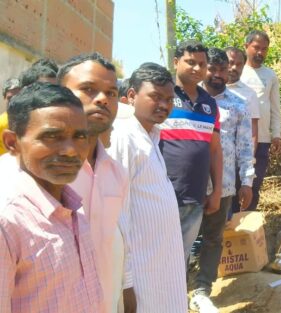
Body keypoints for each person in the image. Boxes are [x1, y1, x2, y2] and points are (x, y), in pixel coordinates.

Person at [0, 83, 102, 312]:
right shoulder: (7, 220)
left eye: (80, 137)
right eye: (52, 136)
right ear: (12, 143)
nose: (70, 150)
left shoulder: (73, 207)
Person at [56, 53, 135, 313]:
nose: (103, 99)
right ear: (58, 94)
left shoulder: (115, 174)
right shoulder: (26, 174)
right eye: (88, 89)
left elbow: (114, 248)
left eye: (111, 93)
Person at [107, 63, 188, 313]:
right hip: (141, 277)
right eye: (155, 97)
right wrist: (127, 283)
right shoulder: (123, 137)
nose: (164, 105)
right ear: (132, 96)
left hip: (162, 269)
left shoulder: (152, 136)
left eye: (169, 99)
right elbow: (118, 216)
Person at [190, 48, 255, 313]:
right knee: (183, 236)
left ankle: (203, 290)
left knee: (213, 239)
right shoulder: (187, 100)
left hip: (223, 185)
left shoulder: (238, 104)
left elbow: (244, 147)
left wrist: (247, 182)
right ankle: (176, 285)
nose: (217, 75)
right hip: (188, 185)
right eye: (212, 69)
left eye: (222, 70)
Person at [160, 40, 223, 263]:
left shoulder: (210, 103)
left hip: (195, 198)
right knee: (156, 259)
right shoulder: (162, 95)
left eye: (202, 64)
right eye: (190, 62)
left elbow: (215, 150)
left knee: (181, 260)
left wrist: (216, 192)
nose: (197, 68)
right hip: (161, 196)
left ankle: (179, 298)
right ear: (176, 62)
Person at [240, 30, 281, 212]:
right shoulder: (237, 72)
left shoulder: (270, 76)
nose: (260, 52)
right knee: (235, 184)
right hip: (239, 138)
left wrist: (276, 135)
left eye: (264, 49)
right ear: (246, 47)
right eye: (256, 47)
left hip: (262, 139)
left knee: (254, 185)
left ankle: (249, 227)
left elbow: (275, 107)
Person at [226, 46, 260, 149]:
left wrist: (250, 159)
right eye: (231, 63)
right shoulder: (207, 88)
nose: (234, 68)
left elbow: (253, 130)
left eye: (239, 64)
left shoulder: (250, 94)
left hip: (237, 157)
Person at [0, 78, 21, 154]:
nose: (14, 102)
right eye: (10, 98)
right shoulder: (1, 123)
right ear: (4, 98)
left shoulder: (31, 120)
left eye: (18, 97)